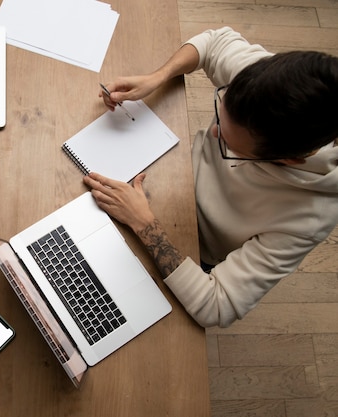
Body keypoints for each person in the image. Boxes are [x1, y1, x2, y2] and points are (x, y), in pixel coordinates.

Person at [84, 26, 338, 328]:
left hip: (190, 243)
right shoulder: (271, 87)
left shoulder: (310, 218)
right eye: (220, 110)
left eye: (228, 144)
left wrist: (144, 224)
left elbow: (216, 305)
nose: (213, 132)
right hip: (171, 173)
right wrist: (158, 77)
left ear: (287, 160)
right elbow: (214, 42)